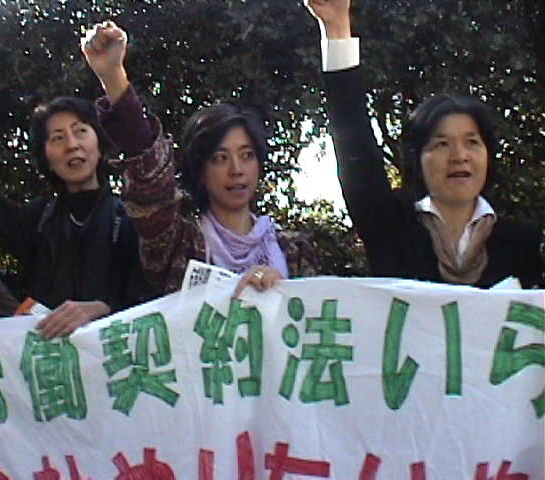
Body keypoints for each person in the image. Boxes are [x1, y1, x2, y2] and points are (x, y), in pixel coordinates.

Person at [305, 0, 544, 288]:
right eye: (441, 144)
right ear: (417, 159)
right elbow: (355, 145)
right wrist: (337, 27)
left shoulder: (520, 244)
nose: (459, 156)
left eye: (471, 142)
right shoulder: (390, 226)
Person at [82, 22, 320, 295]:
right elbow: (149, 178)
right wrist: (113, 75)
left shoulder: (294, 250)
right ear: (200, 170)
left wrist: (282, 291)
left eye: (247, 155)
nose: (237, 169)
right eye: (220, 158)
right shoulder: (178, 245)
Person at [0, 73, 152, 338]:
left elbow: (152, 298)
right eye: (57, 138)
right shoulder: (39, 221)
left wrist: (102, 307)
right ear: (46, 158)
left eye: (81, 131)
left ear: (99, 145)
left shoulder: (131, 219)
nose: (72, 145)